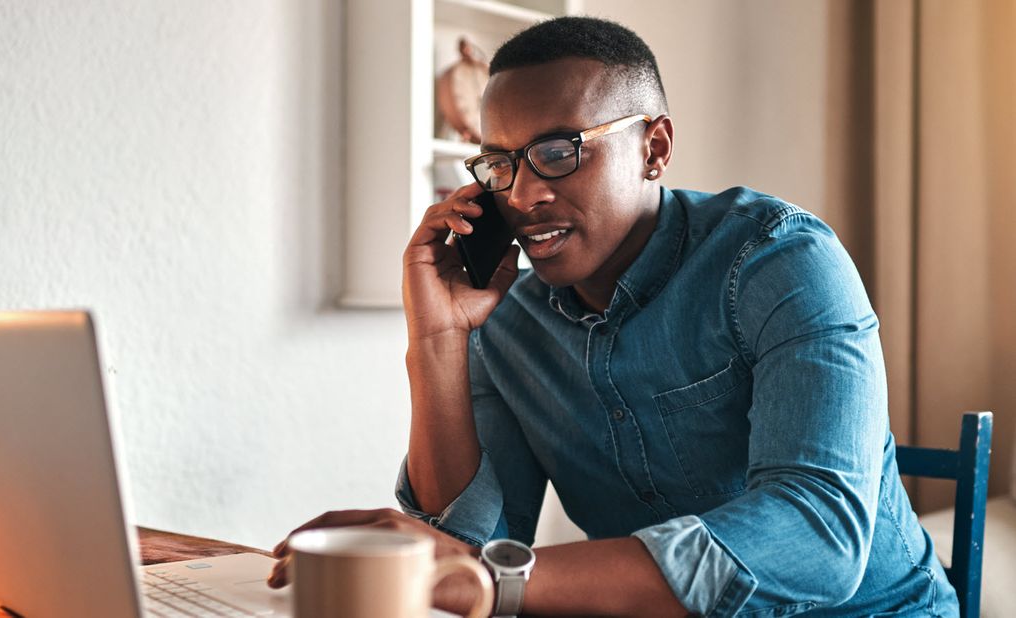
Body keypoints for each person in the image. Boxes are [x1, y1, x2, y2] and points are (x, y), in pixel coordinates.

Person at [270, 16, 959, 617]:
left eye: (558, 152)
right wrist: (438, 340)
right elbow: (465, 548)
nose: (525, 194)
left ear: (654, 148)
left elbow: (818, 538)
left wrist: (479, 579)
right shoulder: (508, 315)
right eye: (500, 163)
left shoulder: (780, 260)